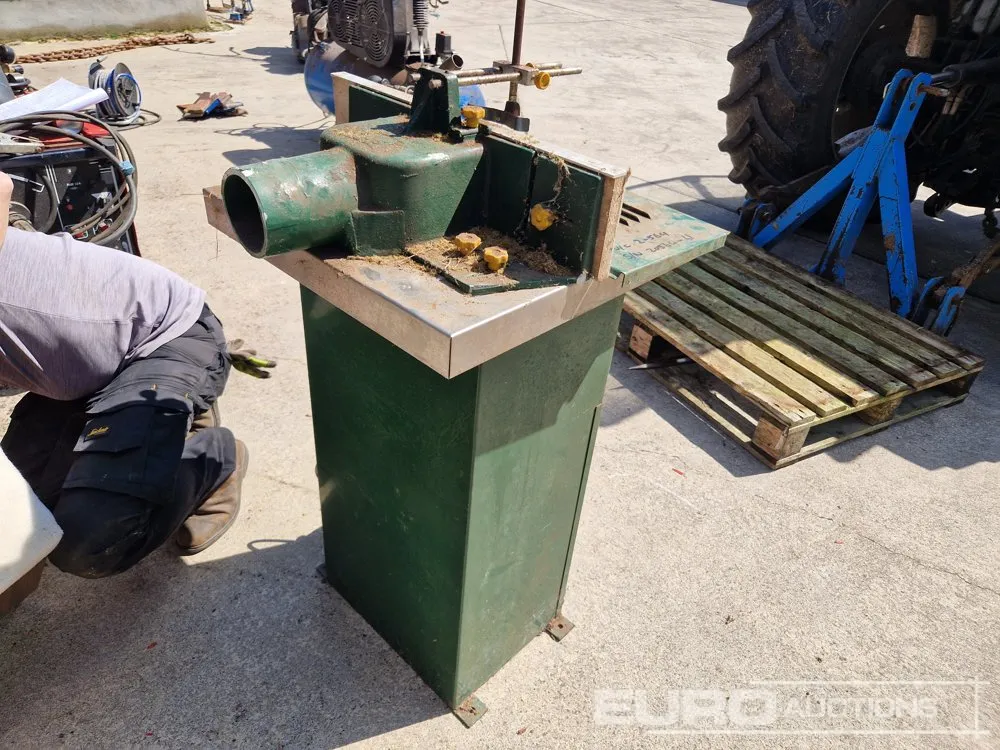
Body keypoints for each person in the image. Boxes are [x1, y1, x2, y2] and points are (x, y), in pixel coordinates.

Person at [0, 169, 249, 578]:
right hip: (79, 374)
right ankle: (169, 427)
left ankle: (215, 458)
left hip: (163, 338)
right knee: (24, 519)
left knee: (86, 545)